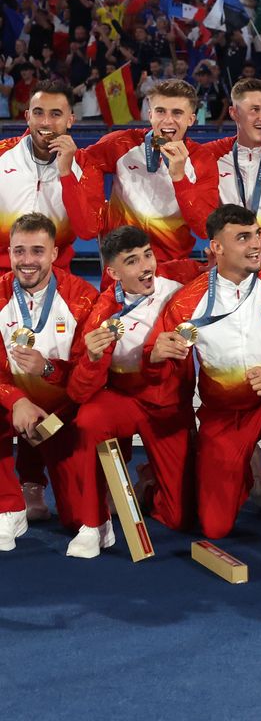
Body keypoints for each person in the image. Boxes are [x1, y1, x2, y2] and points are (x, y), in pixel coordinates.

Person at [144, 205, 261, 557]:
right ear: (216, 248)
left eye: (256, 234)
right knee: (215, 527)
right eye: (243, 237)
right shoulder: (188, 301)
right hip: (223, 416)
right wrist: (155, 353)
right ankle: (249, 470)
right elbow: (159, 357)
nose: (256, 244)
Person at [65, 226, 202, 558]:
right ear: (112, 272)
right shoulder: (101, 314)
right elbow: (77, 391)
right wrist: (94, 359)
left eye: (148, 255)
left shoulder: (179, 290)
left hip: (170, 409)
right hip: (127, 401)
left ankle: (147, 483)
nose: (146, 267)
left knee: (180, 518)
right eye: (132, 261)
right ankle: (94, 523)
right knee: (90, 418)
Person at [0, 213, 97, 551]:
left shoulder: (82, 297)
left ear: (55, 254)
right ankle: (8, 507)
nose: (27, 261)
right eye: (19, 251)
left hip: (62, 412)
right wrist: (16, 401)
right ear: (9, 252)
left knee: (75, 518)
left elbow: (89, 375)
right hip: (11, 407)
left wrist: (48, 370)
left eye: (37, 251)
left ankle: (38, 480)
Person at [62, 80, 208, 262]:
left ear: (191, 119)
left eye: (177, 113)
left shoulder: (203, 159)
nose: (168, 120)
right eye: (160, 111)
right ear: (150, 114)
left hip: (172, 269)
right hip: (122, 265)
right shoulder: (121, 144)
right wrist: (96, 210)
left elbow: (204, 228)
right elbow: (83, 162)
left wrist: (180, 179)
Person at [175, 77, 261, 271]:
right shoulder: (208, 156)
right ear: (234, 113)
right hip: (226, 270)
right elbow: (199, 219)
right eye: (254, 110)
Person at [0, 81, 86, 273]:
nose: (46, 122)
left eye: (55, 114)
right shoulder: (2, 155)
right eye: (38, 113)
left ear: (70, 120)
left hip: (57, 277)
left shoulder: (85, 166)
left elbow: (87, 231)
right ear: (27, 116)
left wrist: (66, 174)